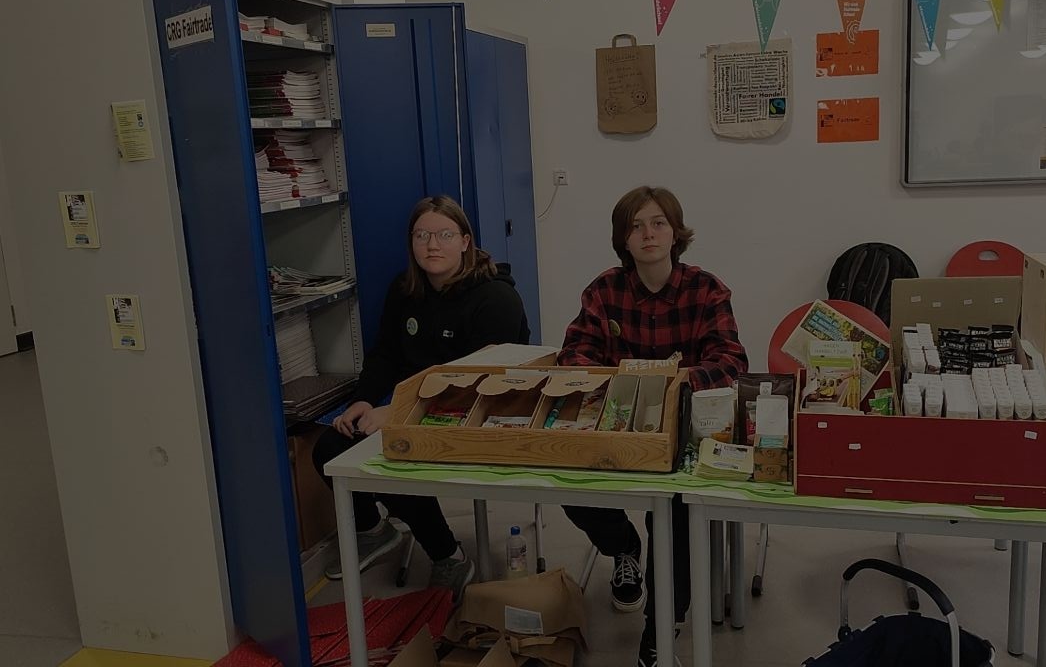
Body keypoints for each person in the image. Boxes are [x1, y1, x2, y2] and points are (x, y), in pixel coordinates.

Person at [556, 186, 748, 667]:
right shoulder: (604, 290)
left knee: (678, 517)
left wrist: (674, 381)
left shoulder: (706, 289)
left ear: (675, 232)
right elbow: (574, 355)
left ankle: (661, 630)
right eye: (636, 225)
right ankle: (624, 548)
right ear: (623, 237)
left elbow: (731, 359)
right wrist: (611, 385)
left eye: (658, 223)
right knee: (569, 487)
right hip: (618, 423)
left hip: (685, 425)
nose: (648, 234)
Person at [312, 195, 529, 599]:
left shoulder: (495, 299)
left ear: (466, 241)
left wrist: (395, 413)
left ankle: (448, 557)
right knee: (328, 449)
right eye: (422, 235)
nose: (432, 245)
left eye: (445, 234)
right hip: (413, 408)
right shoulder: (405, 289)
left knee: (394, 454)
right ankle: (374, 532)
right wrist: (363, 399)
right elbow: (386, 354)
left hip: (479, 414)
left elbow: (479, 385)